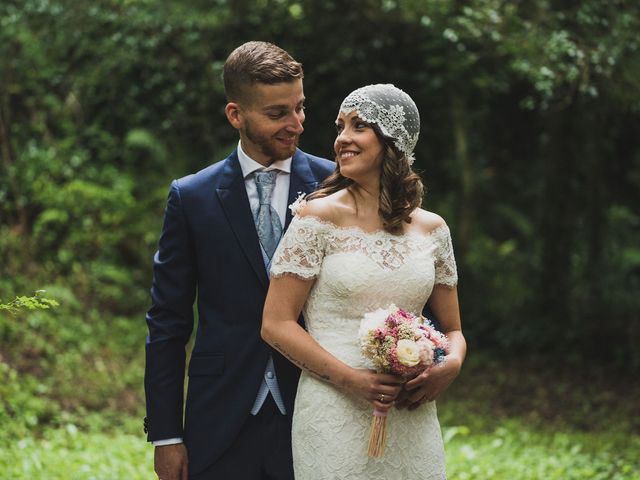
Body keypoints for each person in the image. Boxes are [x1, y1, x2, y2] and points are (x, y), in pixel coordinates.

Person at [143, 41, 335, 480]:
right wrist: (167, 435)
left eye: (300, 108)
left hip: (314, 409)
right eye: (277, 114)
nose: (296, 124)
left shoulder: (334, 185)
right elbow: (167, 322)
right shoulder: (191, 197)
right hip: (220, 418)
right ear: (236, 115)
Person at [262, 84, 466, 479]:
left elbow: (453, 328)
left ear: (393, 141)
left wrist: (452, 363)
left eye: (358, 127)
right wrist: (353, 381)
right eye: (340, 127)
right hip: (333, 408)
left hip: (411, 414)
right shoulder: (315, 219)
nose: (342, 139)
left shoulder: (433, 229)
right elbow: (275, 324)